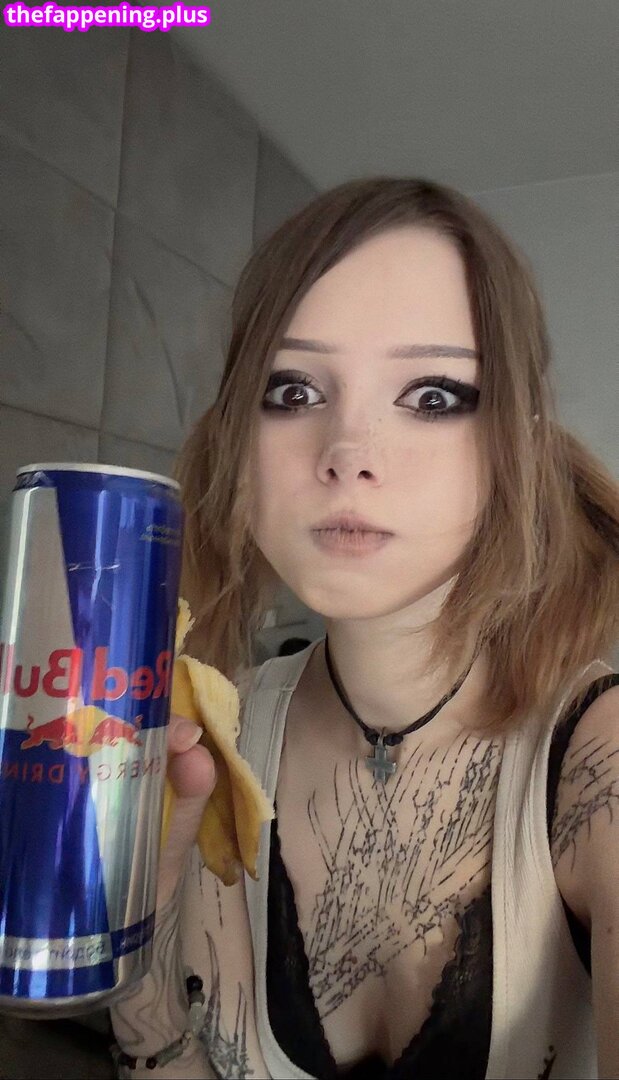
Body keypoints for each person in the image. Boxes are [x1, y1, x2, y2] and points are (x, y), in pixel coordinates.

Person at [109, 178, 619, 1080]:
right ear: (235, 437)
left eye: (432, 397)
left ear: (517, 442)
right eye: (292, 389)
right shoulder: (212, 746)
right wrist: (133, 955)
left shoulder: (596, 761)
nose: (347, 453)